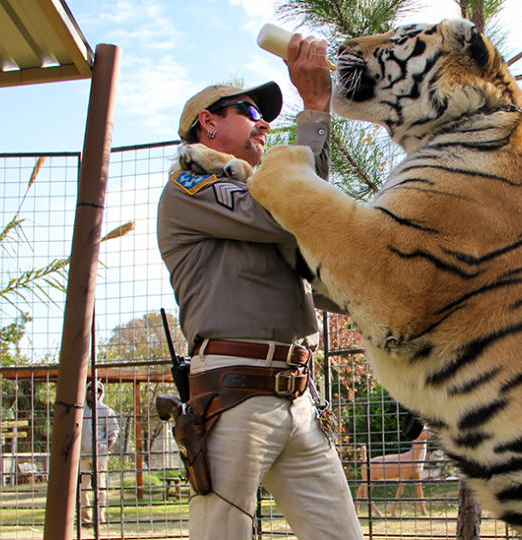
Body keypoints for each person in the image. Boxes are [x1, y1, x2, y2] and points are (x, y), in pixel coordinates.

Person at [156, 33, 363, 540]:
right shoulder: (192, 184)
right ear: (207, 123)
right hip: (233, 390)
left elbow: (310, 234)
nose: (265, 121)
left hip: (299, 398)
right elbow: (289, 211)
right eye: (249, 109)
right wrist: (315, 109)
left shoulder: (253, 197)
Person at [79, 379, 120, 525]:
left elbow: (113, 431)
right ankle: (86, 518)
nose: (93, 393)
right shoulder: (80, 409)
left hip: (99, 455)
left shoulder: (106, 410)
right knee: (82, 488)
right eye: (91, 390)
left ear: (101, 393)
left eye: (97, 391)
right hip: (82, 456)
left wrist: (106, 447)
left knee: (100, 487)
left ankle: (99, 517)